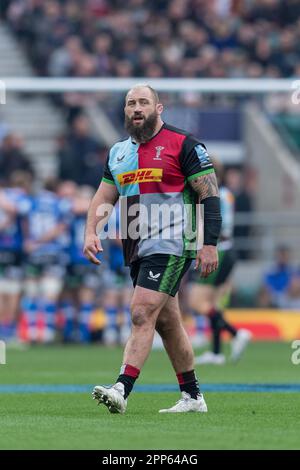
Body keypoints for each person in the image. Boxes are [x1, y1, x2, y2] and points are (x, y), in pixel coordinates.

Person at [83, 84, 222, 414]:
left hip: (174, 243)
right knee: (168, 323)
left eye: (143, 102)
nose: (136, 108)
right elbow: (104, 197)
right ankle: (192, 396)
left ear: (159, 108)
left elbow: (209, 195)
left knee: (141, 311)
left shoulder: (185, 144)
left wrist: (209, 244)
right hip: (136, 248)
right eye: (131, 103)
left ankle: (122, 388)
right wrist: (91, 231)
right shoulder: (118, 152)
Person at [189, 159, 252, 365]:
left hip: (219, 251)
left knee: (197, 302)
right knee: (214, 304)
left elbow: (215, 225)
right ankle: (216, 352)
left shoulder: (213, 195)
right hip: (228, 250)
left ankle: (235, 333)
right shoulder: (226, 194)